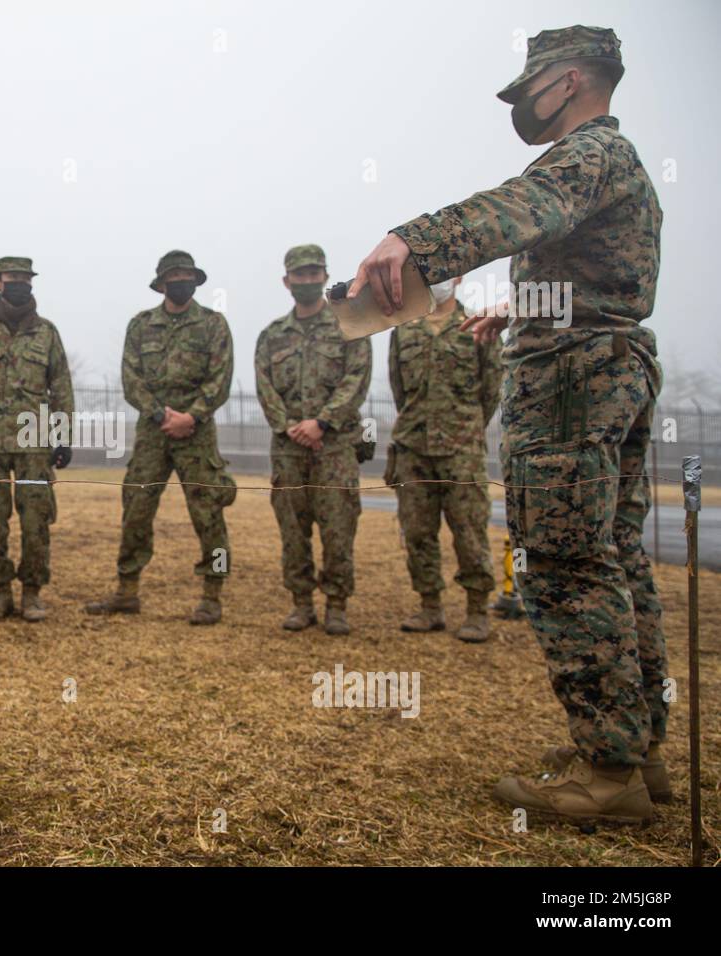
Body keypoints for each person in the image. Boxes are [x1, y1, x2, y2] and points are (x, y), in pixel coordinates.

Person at [350, 26, 668, 821]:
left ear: (566, 81)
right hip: (602, 362)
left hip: (573, 381)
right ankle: (633, 748)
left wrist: (415, 239)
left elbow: (526, 209)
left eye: (528, 87)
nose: (522, 104)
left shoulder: (589, 155)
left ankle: (610, 773)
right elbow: (602, 283)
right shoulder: (613, 164)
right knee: (615, 559)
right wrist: (519, 308)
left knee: (564, 563)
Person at [85, 250, 237, 626]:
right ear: (162, 283)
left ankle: (212, 595)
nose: (181, 281)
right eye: (175, 276)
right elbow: (130, 377)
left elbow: (220, 379)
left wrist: (192, 416)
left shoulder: (213, 324)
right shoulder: (141, 325)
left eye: (187, 275)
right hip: (152, 432)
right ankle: (126, 591)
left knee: (208, 512)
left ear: (196, 280)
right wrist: (159, 414)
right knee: (136, 507)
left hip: (197, 434)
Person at [254, 245, 370, 635]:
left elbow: (357, 380)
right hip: (288, 451)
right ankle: (301, 603)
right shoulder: (271, 336)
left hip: (334, 448)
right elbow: (264, 386)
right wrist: (290, 426)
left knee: (338, 530)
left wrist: (321, 422)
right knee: (293, 531)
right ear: (287, 282)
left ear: (324, 276)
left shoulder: (349, 326)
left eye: (313, 274)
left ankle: (336, 604)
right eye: (299, 275)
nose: (307, 281)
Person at [0, 256, 74, 622]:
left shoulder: (47, 333)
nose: (19, 284)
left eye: (25, 279)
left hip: (34, 442)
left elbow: (61, 389)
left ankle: (32, 593)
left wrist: (62, 436)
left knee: (36, 520)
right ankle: (0, 591)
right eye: (12, 278)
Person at [388, 276, 502, 642]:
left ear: (458, 277)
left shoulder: (477, 326)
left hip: (461, 451)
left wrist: (465, 426)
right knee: (418, 532)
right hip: (413, 448)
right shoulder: (404, 330)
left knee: (469, 532)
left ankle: (476, 610)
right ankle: (430, 607)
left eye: (443, 274)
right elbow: (399, 389)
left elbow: (491, 389)